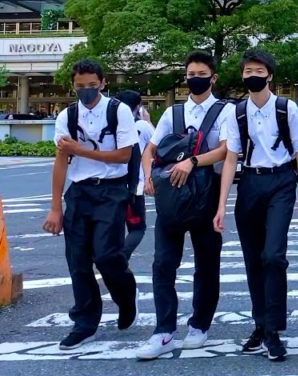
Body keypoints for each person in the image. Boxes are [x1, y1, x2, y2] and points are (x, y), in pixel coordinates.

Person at [137, 51, 233, 360]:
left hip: (206, 198)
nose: (195, 78)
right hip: (172, 199)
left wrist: (192, 161)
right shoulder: (172, 113)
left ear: (213, 77)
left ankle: (199, 325)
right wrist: (148, 175)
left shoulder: (225, 111)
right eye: (191, 73)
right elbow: (150, 149)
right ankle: (164, 330)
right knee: (163, 264)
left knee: (206, 266)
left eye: (201, 73)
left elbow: (226, 151)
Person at [214, 50, 298, 362]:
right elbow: (231, 158)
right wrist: (221, 205)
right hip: (250, 185)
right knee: (253, 260)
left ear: (269, 75)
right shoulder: (236, 112)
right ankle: (261, 324)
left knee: (273, 255)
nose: (252, 75)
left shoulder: (286, 108)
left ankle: (273, 330)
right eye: (247, 71)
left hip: (281, 182)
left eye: (258, 70)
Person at [43, 59, 139, 350]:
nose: (86, 90)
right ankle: (84, 321)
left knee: (107, 256)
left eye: (92, 85)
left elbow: (124, 155)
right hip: (80, 191)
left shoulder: (118, 110)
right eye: (80, 86)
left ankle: (125, 296)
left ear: (103, 82)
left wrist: (80, 150)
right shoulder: (67, 116)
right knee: (78, 260)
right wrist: (55, 207)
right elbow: (61, 162)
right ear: (72, 85)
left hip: (111, 191)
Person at [116, 89, 155, 261]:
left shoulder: (112, 124)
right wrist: (148, 121)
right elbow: (158, 145)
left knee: (112, 228)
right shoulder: (142, 126)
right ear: (138, 107)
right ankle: (120, 258)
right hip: (134, 186)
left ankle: (111, 259)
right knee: (137, 228)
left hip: (111, 185)